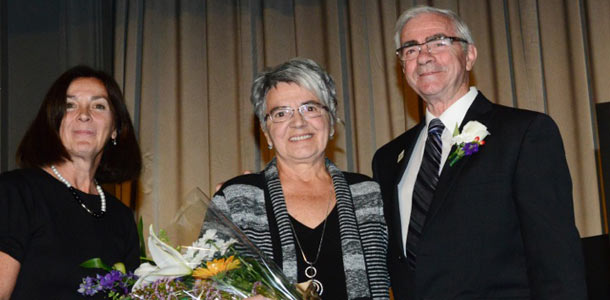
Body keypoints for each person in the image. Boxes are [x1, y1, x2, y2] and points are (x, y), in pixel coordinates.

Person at [372, 6, 587, 300]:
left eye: (438, 42)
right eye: (410, 49)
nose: (424, 57)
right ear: (402, 66)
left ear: (470, 55)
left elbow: (556, 257)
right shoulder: (388, 158)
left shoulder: (523, 133)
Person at [201, 58, 390, 299]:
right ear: (266, 131)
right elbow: (204, 284)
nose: (298, 122)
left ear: (331, 121)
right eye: (281, 113)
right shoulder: (237, 198)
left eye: (310, 108)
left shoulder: (368, 193)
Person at [0, 66, 142, 299]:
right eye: (70, 105)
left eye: (98, 106)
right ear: (54, 123)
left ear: (115, 129)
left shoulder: (122, 218)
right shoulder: (15, 193)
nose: (84, 114)